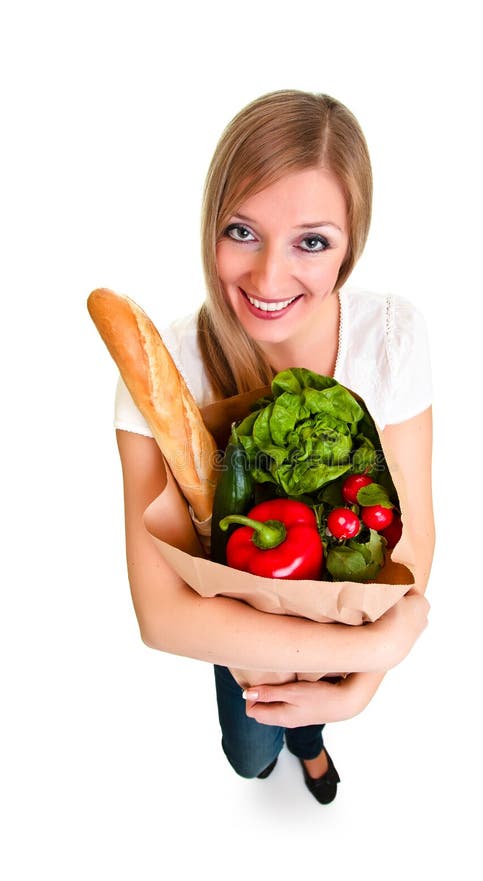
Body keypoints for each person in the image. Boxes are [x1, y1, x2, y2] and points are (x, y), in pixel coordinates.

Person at [113, 89, 435, 805]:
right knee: (248, 754)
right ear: (210, 228)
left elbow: (416, 540)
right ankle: (287, 753)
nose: (266, 278)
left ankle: (314, 744)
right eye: (242, 231)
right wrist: (378, 650)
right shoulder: (165, 368)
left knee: (317, 718)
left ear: (352, 246)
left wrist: (356, 689)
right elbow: (161, 617)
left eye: (311, 241)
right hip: (238, 651)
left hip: (345, 608)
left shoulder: (391, 341)